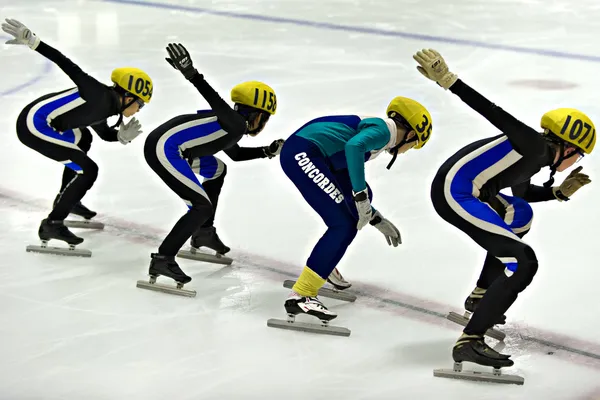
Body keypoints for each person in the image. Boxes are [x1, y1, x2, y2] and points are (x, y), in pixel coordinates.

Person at [414, 48, 593, 368]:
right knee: (524, 262)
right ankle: (470, 341)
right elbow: (493, 111)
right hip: (456, 191)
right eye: (579, 154)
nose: (576, 162)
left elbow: (522, 193)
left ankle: (482, 294)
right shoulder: (536, 145)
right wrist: (448, 80)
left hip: (472, 191)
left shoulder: (537, 159)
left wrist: (557, 193)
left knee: (520, 213)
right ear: (567, 146)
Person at [141, 43, 284, 290]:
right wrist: (192, 74)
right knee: (200, 205)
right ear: (256, 114)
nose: (263, 124)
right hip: (164, 149)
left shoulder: (230, 125)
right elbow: (213, 98)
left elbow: (236, 155)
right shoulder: (236, 123)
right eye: (265, 117)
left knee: (217, 170)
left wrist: (266, 151)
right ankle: (163, 258)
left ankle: (203, 233)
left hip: (176, 150)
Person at [279, 97, 433, 322]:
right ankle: (302, 295)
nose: (409, 149)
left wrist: (374, 216)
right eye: (414, 144)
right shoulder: (385, 131)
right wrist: (360, 197)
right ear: (410, 134)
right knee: (342, 225)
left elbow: (346, 173)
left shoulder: (379, 136)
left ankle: (324, 263)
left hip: (316, 156)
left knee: (353, 211)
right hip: (304, 153)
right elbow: (354, 147)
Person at [2, 18, 151, 248]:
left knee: (84, 138)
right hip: (35, 124)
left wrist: (119, 137)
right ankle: (53, 223)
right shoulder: (98, 94)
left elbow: (102, 133)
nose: (139, 110)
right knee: (89, 169)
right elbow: (68, 64)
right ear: (129, 96)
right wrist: (33, 41)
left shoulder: (108, 106)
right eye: (140, 104)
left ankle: (69, 200)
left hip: (48, 125)